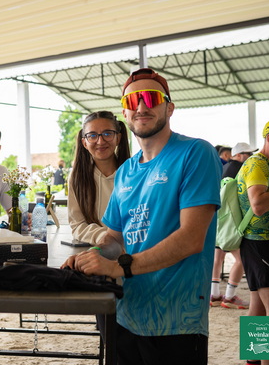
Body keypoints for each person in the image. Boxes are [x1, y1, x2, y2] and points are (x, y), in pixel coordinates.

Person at [62, 68, 221, 365]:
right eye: (133, 100)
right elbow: (116, 239)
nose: (142, 106)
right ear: (125, 112)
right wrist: (93, 255)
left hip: (177, 320)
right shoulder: (125, 171)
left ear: (169, 108)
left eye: (152, 97)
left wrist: (118, 266)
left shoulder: (195, 152)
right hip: (127, 313)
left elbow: (191, 239)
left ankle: (262, 356)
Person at [237, 118, 269, 365]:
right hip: (261, 244)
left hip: (265, 245)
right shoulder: (257, 164)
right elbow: (257, 205)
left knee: (258, 309)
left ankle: (253, 362)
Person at [68, 111, 130, 245]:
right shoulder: (77, 177)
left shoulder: (134, 173)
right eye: (92, 135)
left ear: (118, 138)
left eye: (107, 134)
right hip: (96, 249)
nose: (100, 141)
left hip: (132, 249)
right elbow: (77, 224)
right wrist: (105, 237)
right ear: (84, 142)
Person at [210, 142, 257, 309]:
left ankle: (215, 294)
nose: (250, 157)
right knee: (241, 259)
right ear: (238, 155)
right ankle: (229, 296)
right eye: (248, 154)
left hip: (218, 219)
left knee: (217, 258)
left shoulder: (223, 168)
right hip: (231, 221)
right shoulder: (240, 170)